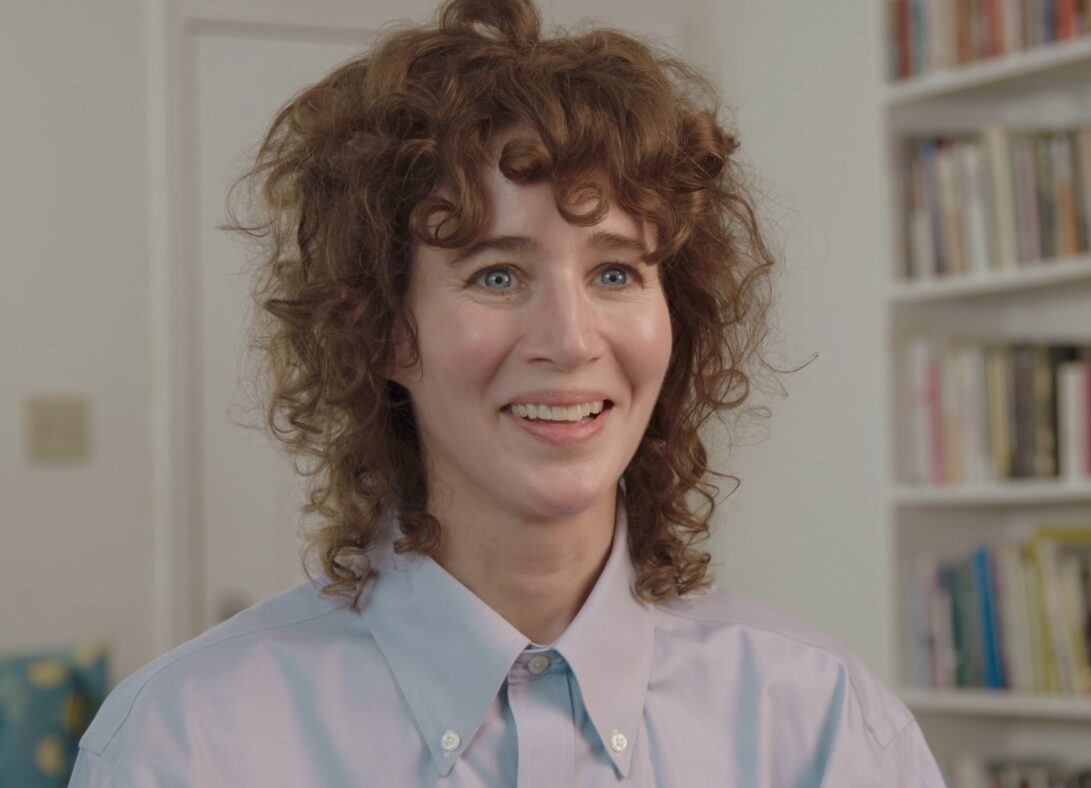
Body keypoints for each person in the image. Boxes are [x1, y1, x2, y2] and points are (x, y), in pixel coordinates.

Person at [70, 0, 946, 785]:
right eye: (495, 275)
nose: (569, 339)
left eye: (614, 270)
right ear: (379, 327)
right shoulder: (187, 741)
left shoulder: (823, 723)